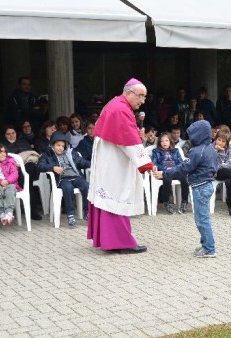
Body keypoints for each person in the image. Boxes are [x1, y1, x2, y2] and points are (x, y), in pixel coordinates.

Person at [87, 78, 154, 254]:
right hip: (114, 161)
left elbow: (127, 135)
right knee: (117, 195)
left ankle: (109, 239)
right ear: (129, 93)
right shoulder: (121, 109)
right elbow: (129, 142)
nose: (143, 101)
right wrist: (147, 164)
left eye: (144, 97)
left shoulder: (117, 104)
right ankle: (121, 242)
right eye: (141, 96)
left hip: (110, 157)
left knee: (109, 195)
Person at [155, 120, 218, 257]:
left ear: (198, 135)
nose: (190, 138)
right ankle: (205, 245)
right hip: (207, 185)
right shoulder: (210, 149)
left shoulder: (196, 151)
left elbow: (184, 169)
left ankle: (209, 249)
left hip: (200, 187)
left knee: (202, 219)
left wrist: (165, 173)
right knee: (202, 217)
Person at [38, 132, 90, 227]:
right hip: (62, 179)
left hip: (75, 177)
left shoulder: (71, 153)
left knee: (86, 186)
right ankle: (70, 214)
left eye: (63, 146)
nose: (60, 148)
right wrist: (53, 168)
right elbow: (40, 166)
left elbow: (82, 162)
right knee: (67, 188)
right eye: (58, 145)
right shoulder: (48, 155)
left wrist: (94, 163)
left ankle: (88, 212)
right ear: (52, 145)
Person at [1, 125, 43, 220]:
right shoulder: (2, 145)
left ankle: (32, 210)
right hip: (13, 169)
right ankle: (32, 211)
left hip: (27, 168)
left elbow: (30, 154)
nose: (11, 136)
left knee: (30, 167)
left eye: (13, 133)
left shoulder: (23, 142)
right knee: (29, 185)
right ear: (4, 135)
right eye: (8, 134)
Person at [150, 132, 189, 214]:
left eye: (166, 141)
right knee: (167, 177)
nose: (164, 143)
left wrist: (174, 169)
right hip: (163, 172)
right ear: (159, 142)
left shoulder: (176, 151)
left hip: (175, 171)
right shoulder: (156, 151)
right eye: (162, 141)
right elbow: (155, 164)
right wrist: (166, 169)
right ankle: (166, 202)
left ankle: (184, 201)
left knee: (184, 178)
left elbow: (180, 163)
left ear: (170, 141)